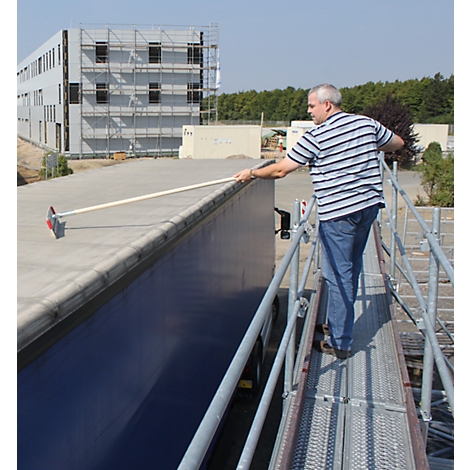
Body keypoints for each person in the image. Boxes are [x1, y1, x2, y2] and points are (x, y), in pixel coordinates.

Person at [234, 84, 404, 359]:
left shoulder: (317, 136)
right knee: (352, 267)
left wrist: (251, 173)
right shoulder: (365, 124)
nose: (309, 111)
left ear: (327, 105)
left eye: (312, 106)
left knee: (338, 275)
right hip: (368, 208)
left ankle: (339, 341)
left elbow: (281, 170)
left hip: (338, 214)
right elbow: (397, 143)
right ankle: (338, 323)